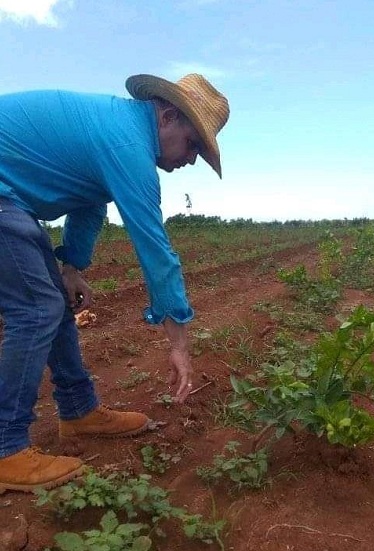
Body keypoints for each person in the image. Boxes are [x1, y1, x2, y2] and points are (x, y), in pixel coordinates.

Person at [0, 73, 230, 494]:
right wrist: (179, 344)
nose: (192, 159)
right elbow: (154, 249)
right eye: (193, 143)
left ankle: (78, 412)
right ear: (168, 115)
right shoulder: (127, 145)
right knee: (37, 309)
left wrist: (71, 266)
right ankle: (5, 449)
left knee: (52, 301)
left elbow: (88, 200)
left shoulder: (119, 131)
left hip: (10, 200)